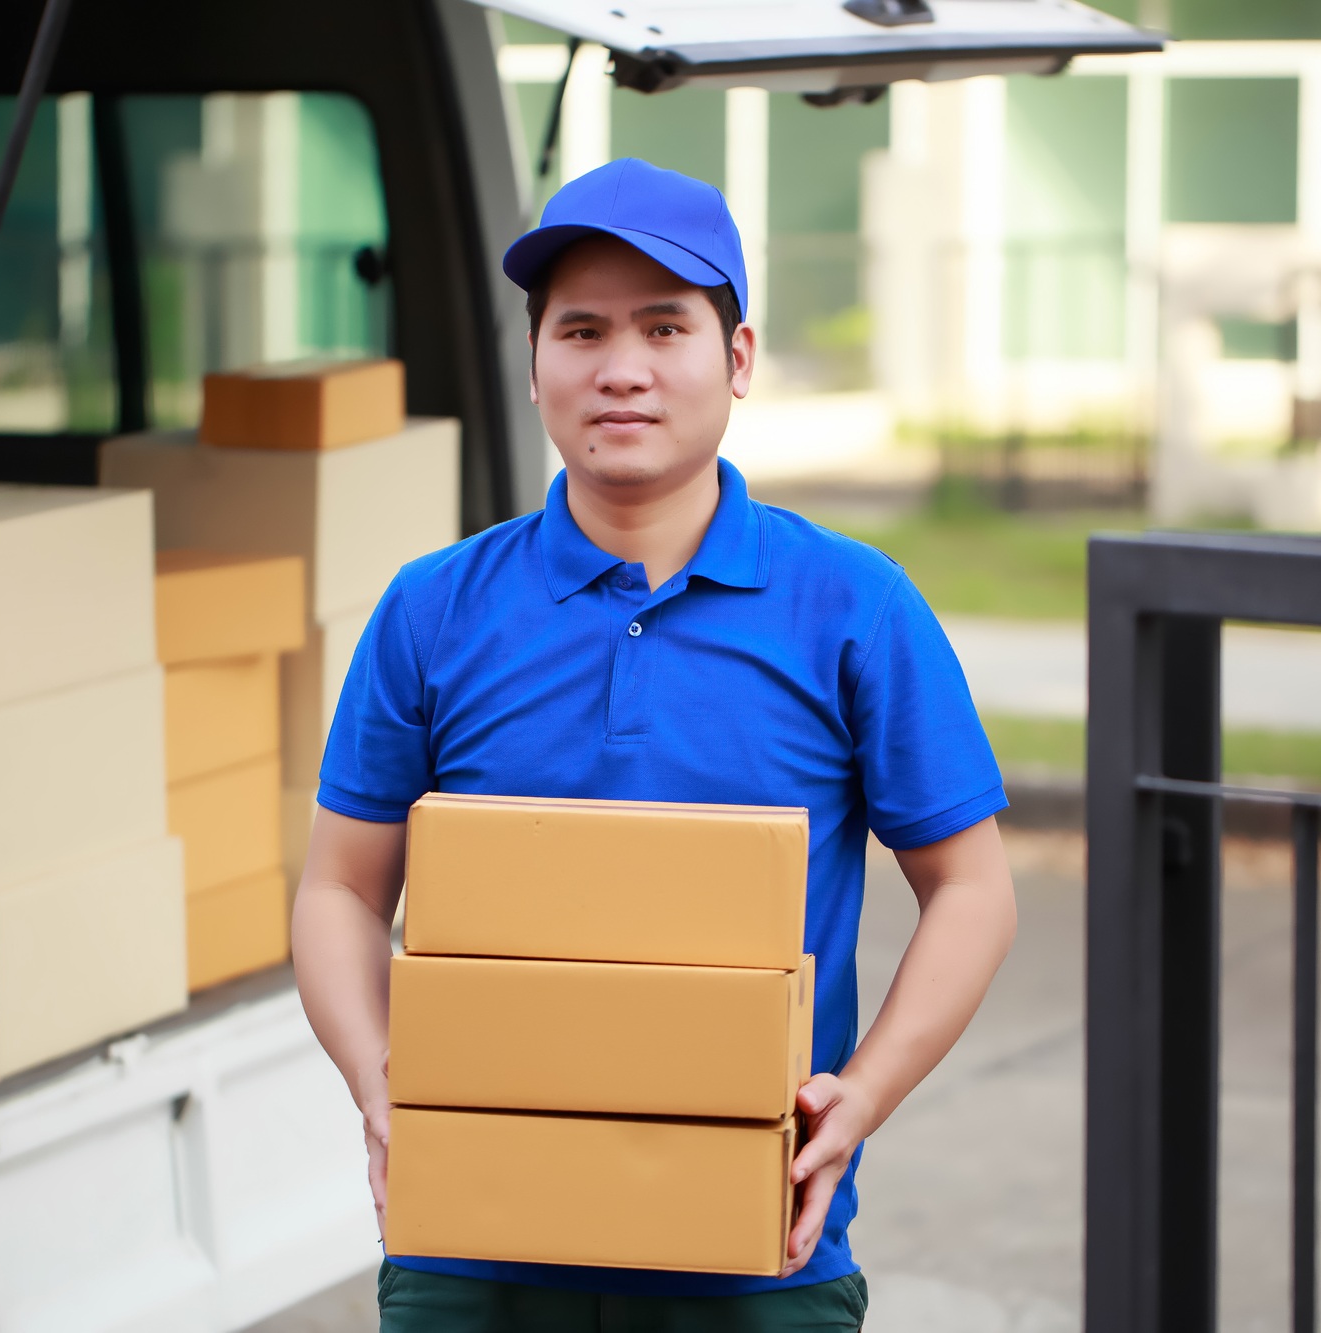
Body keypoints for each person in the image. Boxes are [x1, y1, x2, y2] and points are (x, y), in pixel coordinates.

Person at [290, 157, 1017, 1332]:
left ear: (736, 358)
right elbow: (338, 888)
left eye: (664, 326)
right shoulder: (432, 609)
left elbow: (972, 889)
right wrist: (382, 1087)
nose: (619, 367)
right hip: (471, 1260)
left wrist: (862, 1093)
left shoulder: (853, 606)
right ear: (534, 365)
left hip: (756, 1260)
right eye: (579, 330)